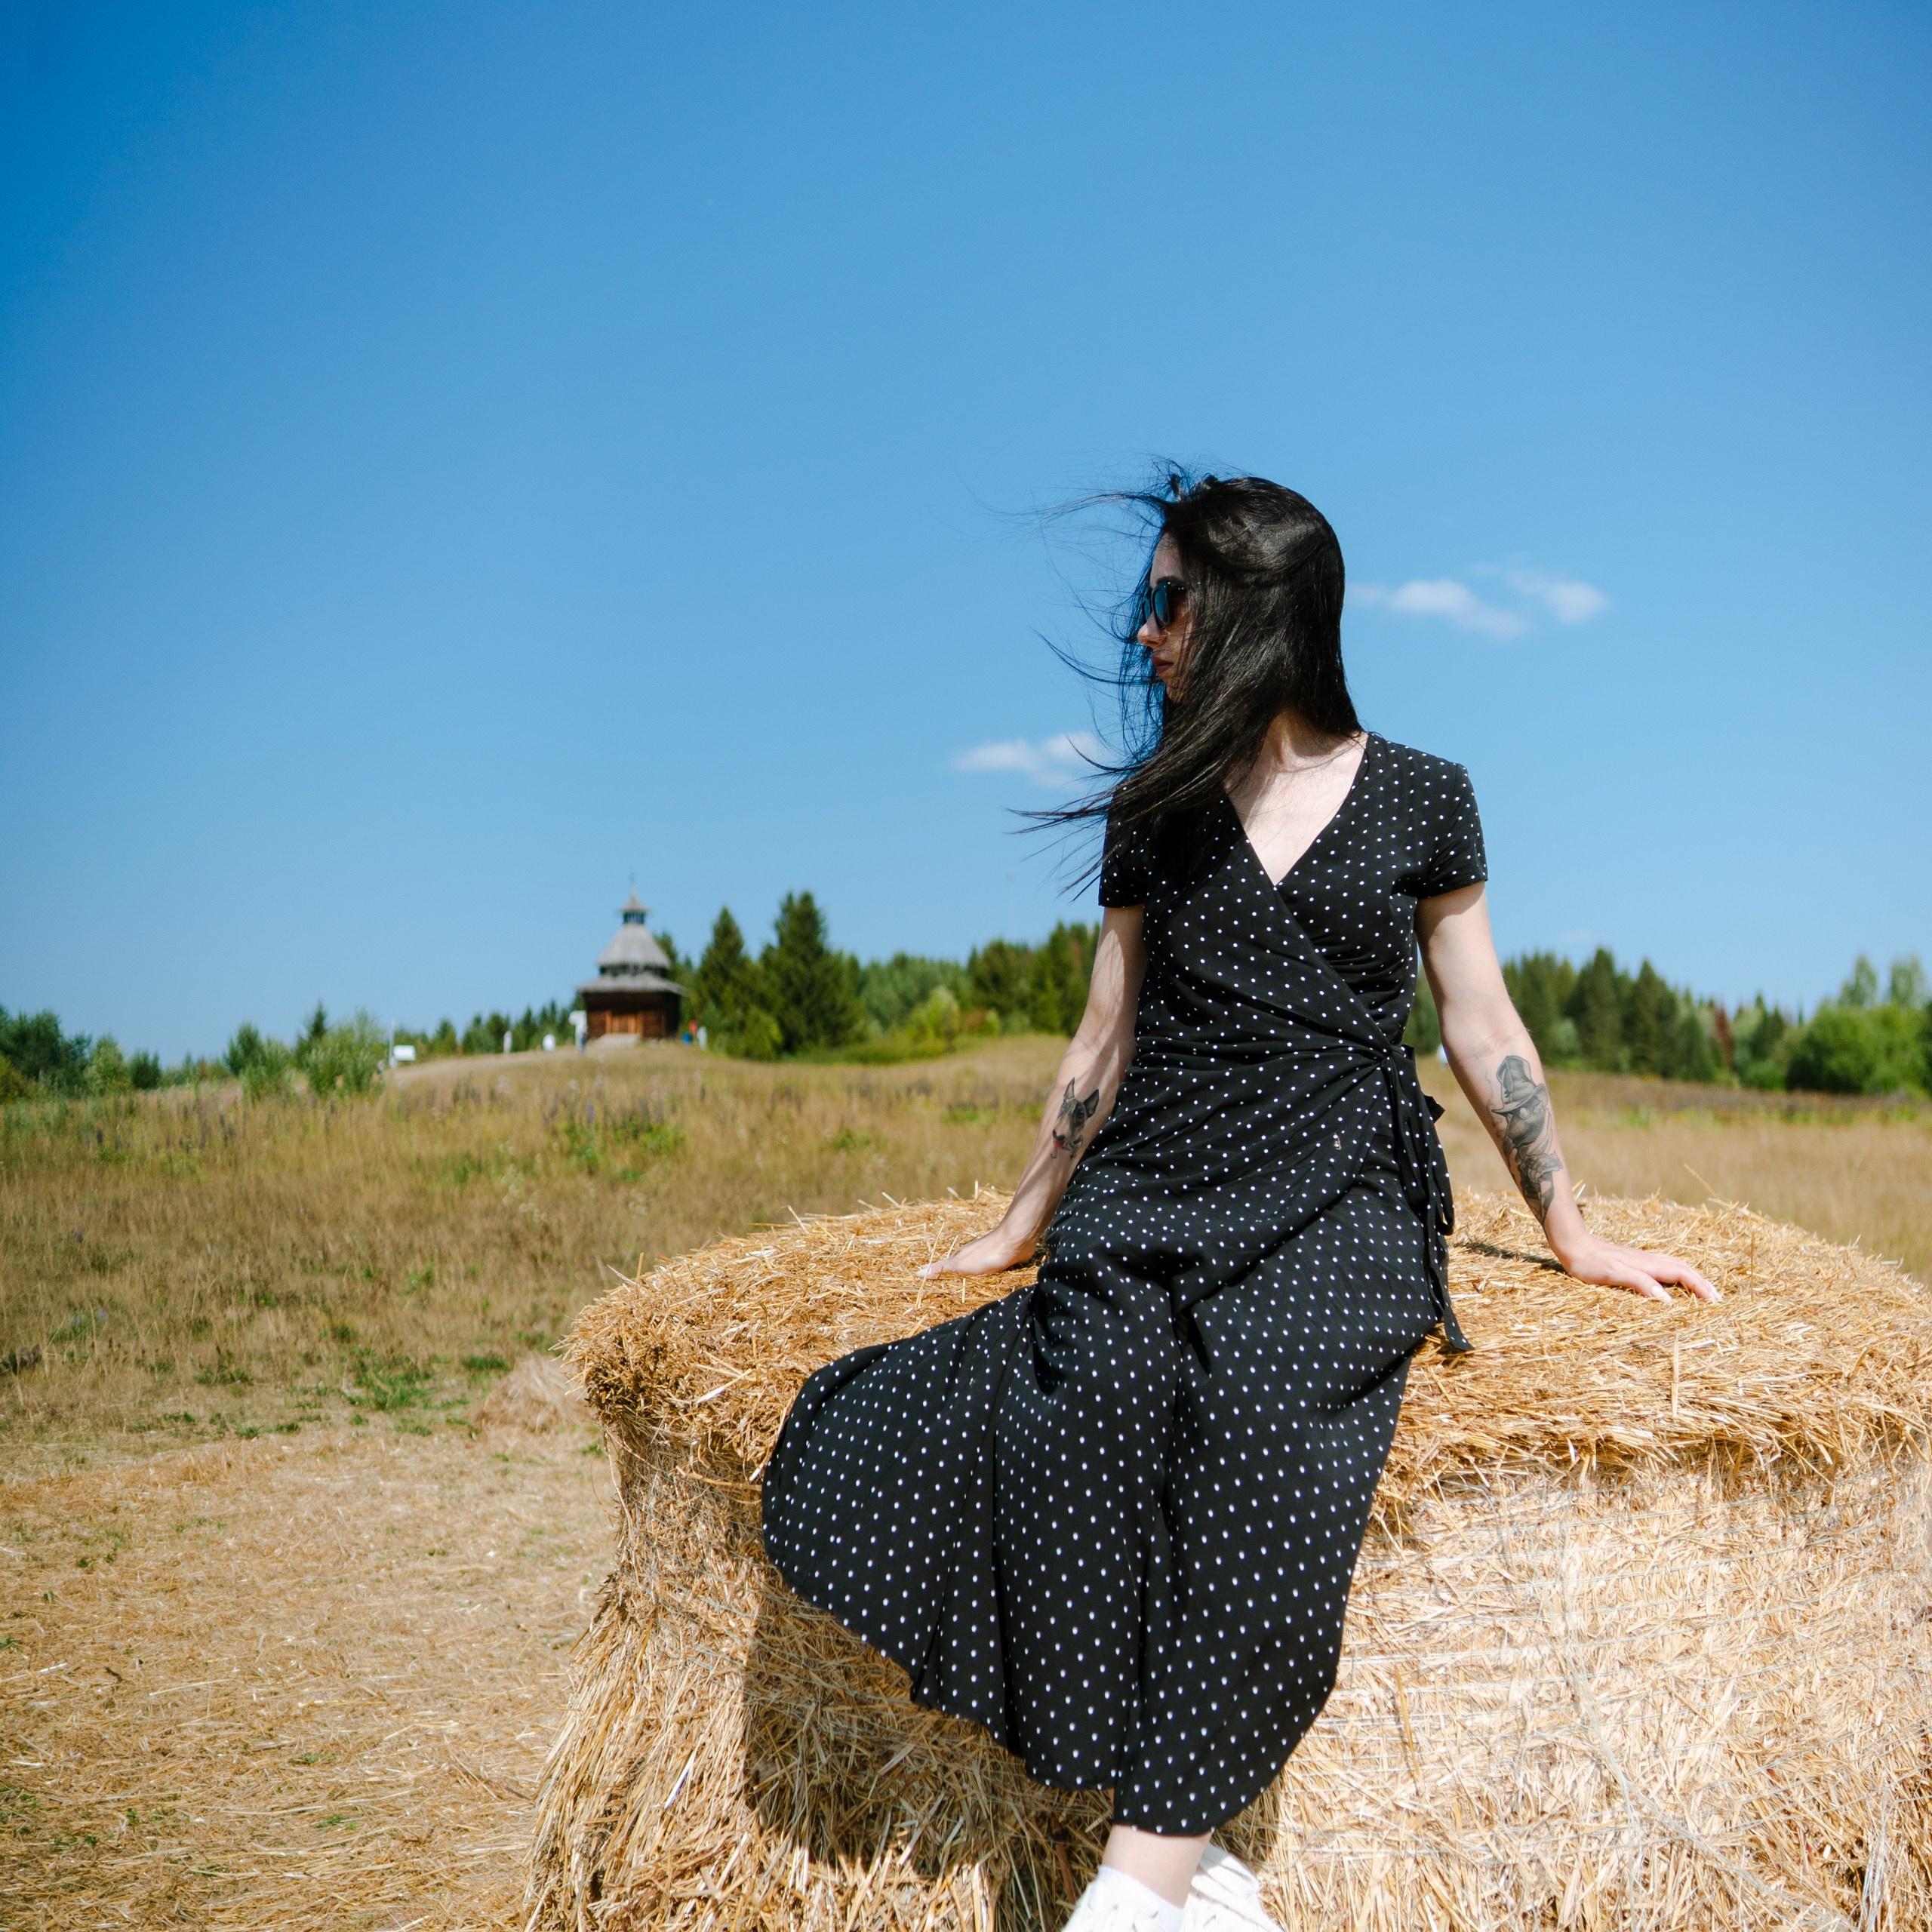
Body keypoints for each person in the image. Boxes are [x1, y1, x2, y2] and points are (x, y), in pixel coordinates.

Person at [761, 474, 1718, 1932]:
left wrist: (1571, 1229)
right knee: (1076, 1397)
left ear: (1255, 615)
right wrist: (1023, 1222)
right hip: (1158, 1175)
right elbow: (1104, 1036)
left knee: (1271, 1412)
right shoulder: (1154, 808)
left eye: (1168, 602)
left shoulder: (1426, 795)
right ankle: (1186, 1844)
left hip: (1342, 1190)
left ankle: (1135, 1891)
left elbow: (1483, 1027)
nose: (1143, 631)